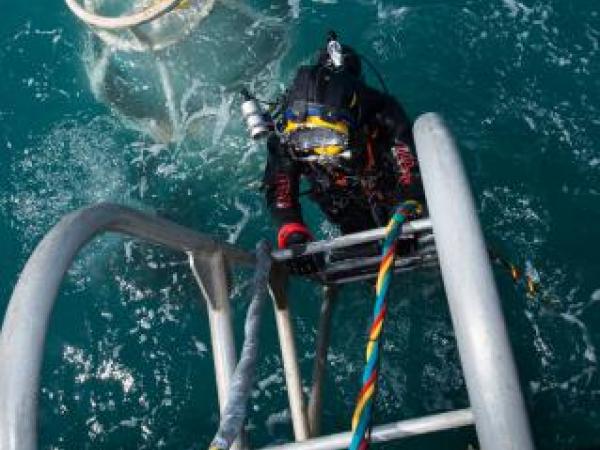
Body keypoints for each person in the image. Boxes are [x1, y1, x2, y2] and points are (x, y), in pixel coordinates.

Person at [262, 32, 425, 274]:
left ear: (351, 121)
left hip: (386, 183)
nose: (319, 151)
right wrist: (293, 233)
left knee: (418, 241)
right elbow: (281, 191)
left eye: (329, 138)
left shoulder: (383, 114)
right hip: (340, 199)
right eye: (305, 140)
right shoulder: (287, 135)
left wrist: (408, 213)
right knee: (366, 254)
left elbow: (410, 170)